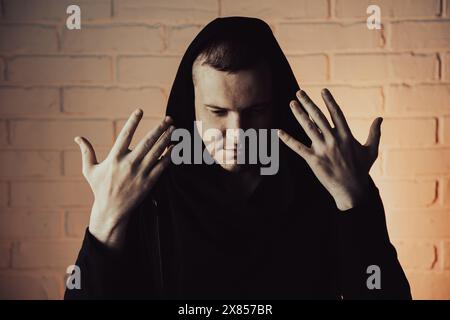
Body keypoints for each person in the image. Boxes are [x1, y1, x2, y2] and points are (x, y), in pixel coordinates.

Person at [64, 17, 411, 300]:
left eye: (255, 110)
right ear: (191, 108)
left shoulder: (326, 181)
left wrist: (355, 201)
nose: (238, 132)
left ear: (276, 105)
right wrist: (104, 221)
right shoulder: (149, 190)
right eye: (217, 111)